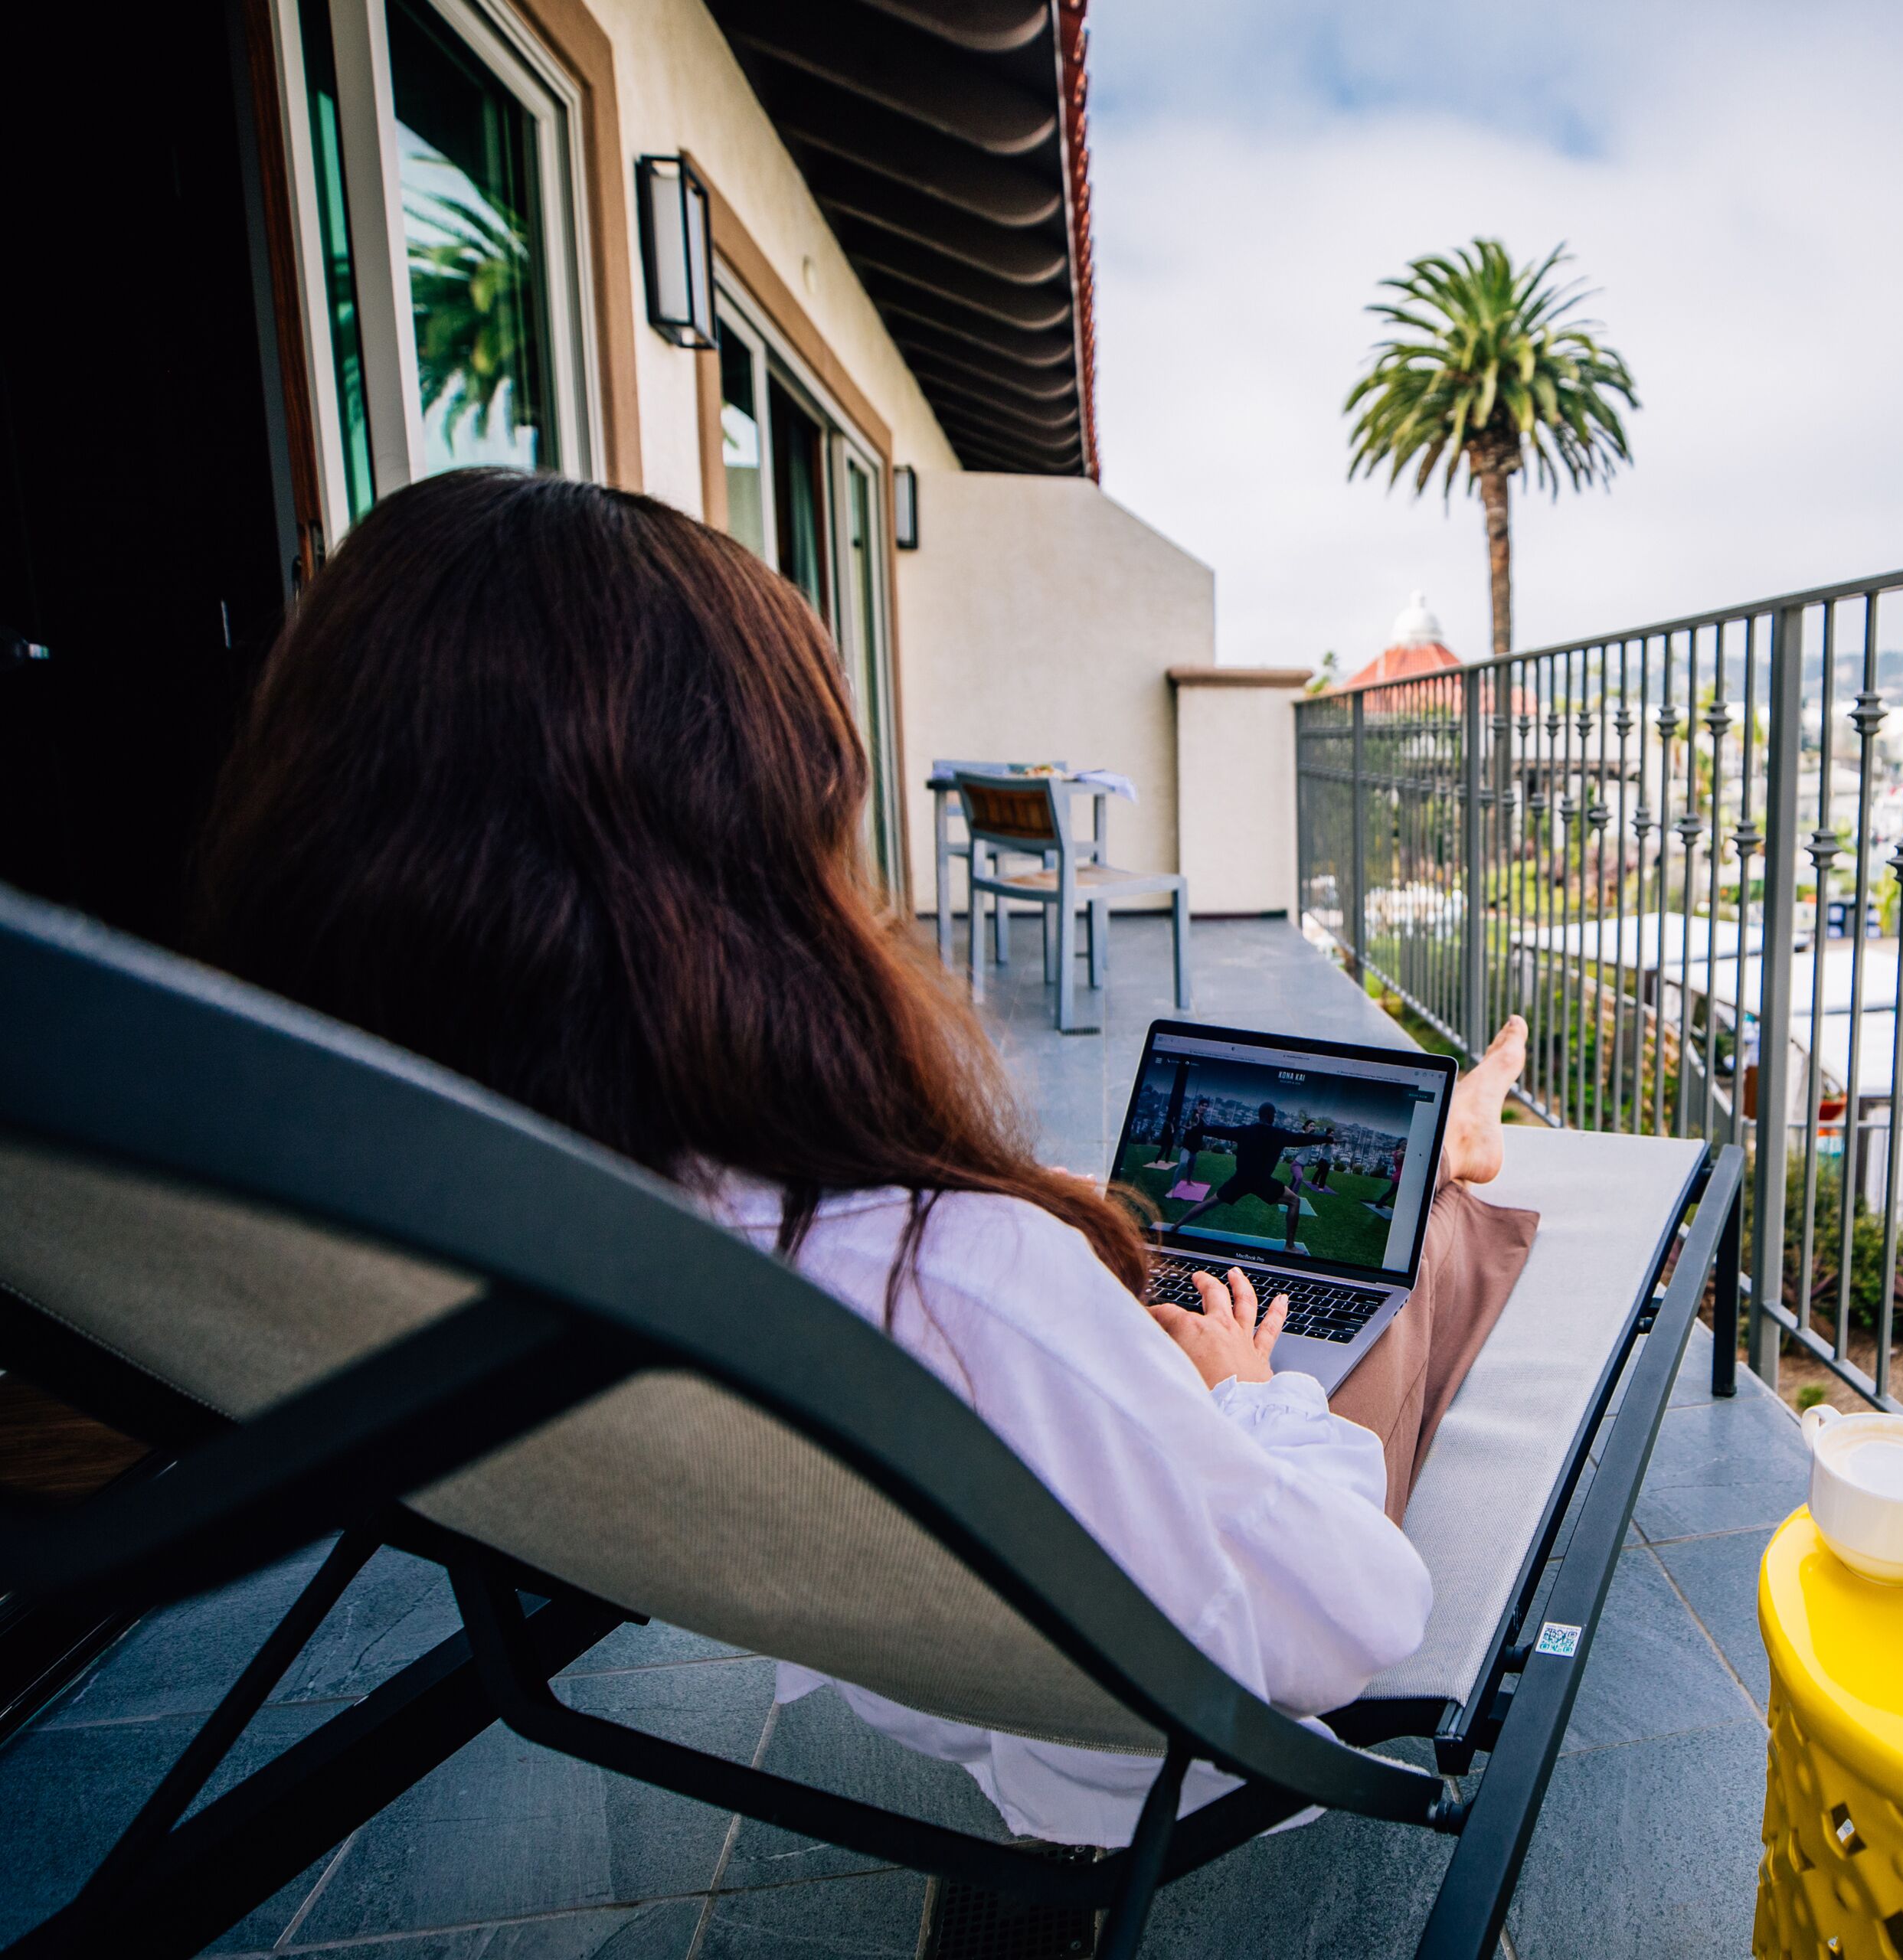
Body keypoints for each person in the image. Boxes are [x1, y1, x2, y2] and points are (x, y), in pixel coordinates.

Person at [186, 469, 1535, 1849]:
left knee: (1132, 1219)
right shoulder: (947, 1277)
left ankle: (1448, 1139)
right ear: (763, 851)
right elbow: (1353, 1619)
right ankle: (1455, 1143)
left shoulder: (394, 1218)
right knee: (1414, 1268)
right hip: (1146, 1742)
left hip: (948, 1617)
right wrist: (1248, 1397)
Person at [1164, 1099, 1329, 1234]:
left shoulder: (1245, 1131)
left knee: (1209, 1203)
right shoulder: (1279, 1134)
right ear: (1271, 1116)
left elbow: (1219, 1131)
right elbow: (1303, 1139)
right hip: (1262, 1182)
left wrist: (1198, 1129)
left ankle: (1176, 1225)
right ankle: (1290, 1246)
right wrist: (1328, 1139)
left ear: (1259, 1115)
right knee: (1294, 1201)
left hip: (1241, 1179)